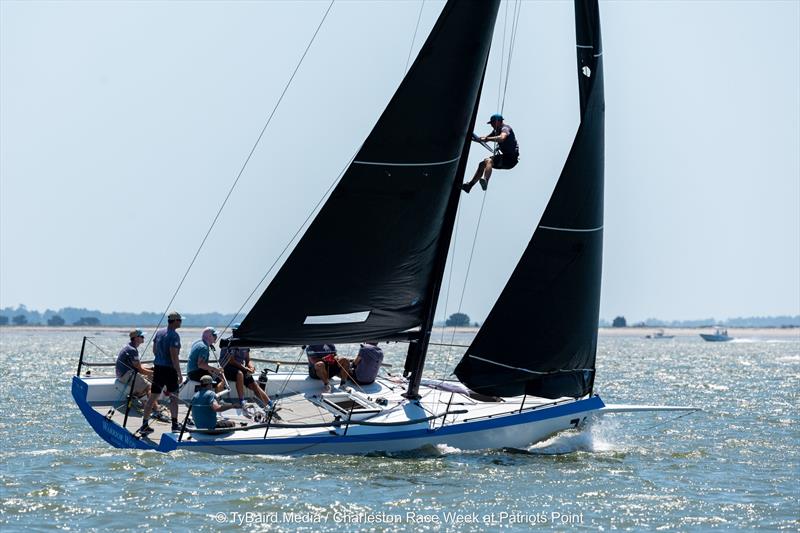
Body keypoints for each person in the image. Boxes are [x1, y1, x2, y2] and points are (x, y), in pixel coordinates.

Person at [139, 311, 183, 435]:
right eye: (180, 320)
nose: (181, 322)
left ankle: (144, 424)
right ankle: (174, 425)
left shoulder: (159, 332)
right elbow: (174, 356)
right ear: (175, 321)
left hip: (158, 367)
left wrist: (161, 358)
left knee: (153, 397)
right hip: (169, 370)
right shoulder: (174, 336)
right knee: (174, 397)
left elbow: (154, 350)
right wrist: (179, 373)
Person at [462, 113, 519, 193]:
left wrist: (487, 138)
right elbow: (485, 139)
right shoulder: (496, 131)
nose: (491, 125)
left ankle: (485, 180)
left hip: (510, 159)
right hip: (506, 158)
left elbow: (502, 138)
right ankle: (469, 186)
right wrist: (471, 138)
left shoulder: (505, 128)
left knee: (488, 161)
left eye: (492, 123)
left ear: (498, 121)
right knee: (482, 164)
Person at [115, 328, 153, 398]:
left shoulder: (129, 347)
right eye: (142, 336)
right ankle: (154, 407)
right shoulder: (132, 350)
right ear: (136, 338)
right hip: (125, 375)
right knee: (149, 386)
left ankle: (137, 396)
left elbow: (137, 366)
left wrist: (151, 368)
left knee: (146, 366)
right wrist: (153, 373)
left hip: (122, 374)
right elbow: (140, 369)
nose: (143, 338)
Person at [186, 327, 225, 393]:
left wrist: (210, 370)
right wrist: (215, 369)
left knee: (214, 374)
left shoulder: (198, 343)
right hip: (195, 372)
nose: (216, 337)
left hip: (191, 372)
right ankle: (216, 399)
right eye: (214, 335)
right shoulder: (204, 347)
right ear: (209, 336)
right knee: (221, 380)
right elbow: (201, 365)